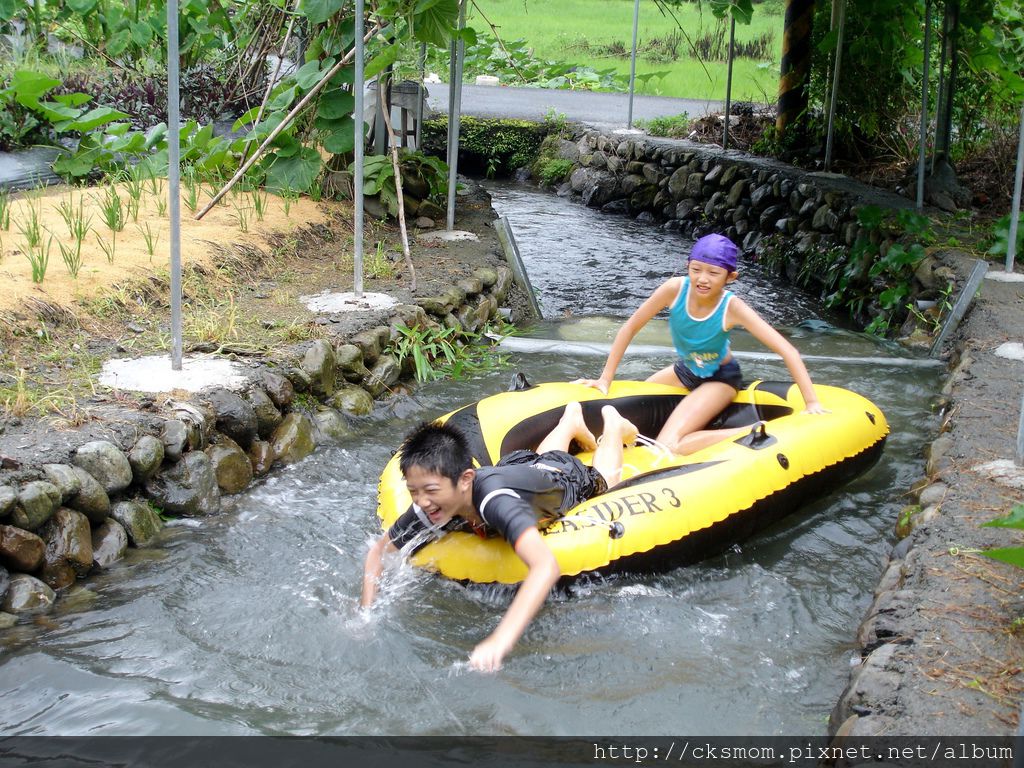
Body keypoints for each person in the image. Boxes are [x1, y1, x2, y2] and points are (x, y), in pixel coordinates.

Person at [360, 402, 637, 673]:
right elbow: (378, 552)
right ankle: (570, 421)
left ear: (465, 480)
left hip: (561, 480)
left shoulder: (496, 502)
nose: (421, 501)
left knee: (602, 479)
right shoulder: (431, 504)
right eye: (414, 491)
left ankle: (612, 425)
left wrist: (501, 639)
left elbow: (545, 566)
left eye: (430, 490)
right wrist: (367, 613)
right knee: (542, 462)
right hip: (516, 468)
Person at [575, 233, 826, 455]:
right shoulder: (674, 289)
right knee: (625, 411)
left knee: (669, 445)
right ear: (688, 267)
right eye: (696, 269)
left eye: (713, 273)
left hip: (720, 378)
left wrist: (812, 403)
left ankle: (754, 430)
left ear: (730, 277)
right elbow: (629, 328)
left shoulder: (732, 307)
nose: (702, 279)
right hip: (685, 370)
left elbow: (787, 350)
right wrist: (605, 379)